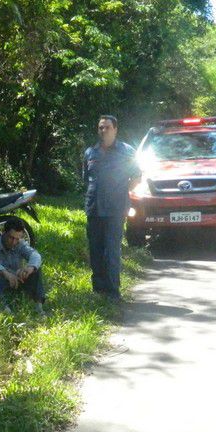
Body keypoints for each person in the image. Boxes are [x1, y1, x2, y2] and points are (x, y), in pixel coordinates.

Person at [82, 114, 140, 300]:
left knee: (112, 250)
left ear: (115, 129)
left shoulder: (127, 151)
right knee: (96, 250)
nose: (103, 130)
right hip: (94, 208)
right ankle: (98, 290)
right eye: (101, 127)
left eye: (107, 127)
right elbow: (86, 179)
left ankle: (113, 292)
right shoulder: (90, 152)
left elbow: (137, 177)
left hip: (116, 209)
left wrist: (121, 191)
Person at [0, 217, 45, 314]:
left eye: (17, 239)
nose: (14, 242)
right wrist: (5, 273)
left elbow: (35, 255)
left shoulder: (20, 244)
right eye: (11, 237)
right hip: (0, 280)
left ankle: (38, 305)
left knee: (36, 269)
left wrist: (30, 268)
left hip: (18, 279)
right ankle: (2, 304)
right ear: (4, 232)